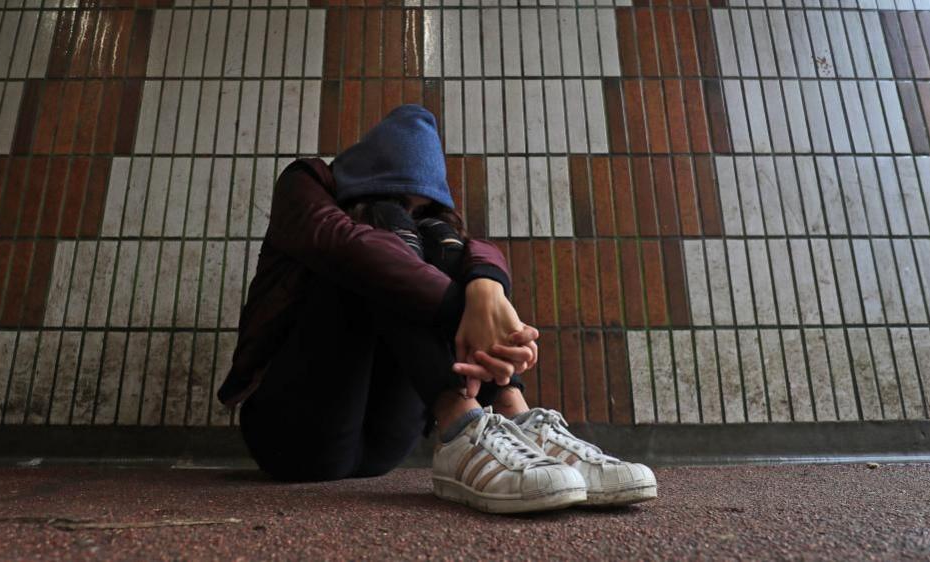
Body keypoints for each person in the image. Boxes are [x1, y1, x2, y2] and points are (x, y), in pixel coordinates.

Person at [217, 104, 657, 514]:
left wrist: (487, 288)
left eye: (421, 203)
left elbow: (472, 250)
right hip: (292, 436)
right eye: (400, 197)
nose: (411, 213)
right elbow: (344, 244)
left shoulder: (434, 228)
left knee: (438, 240)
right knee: (382, 244)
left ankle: (514, 416)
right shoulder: (307, 183)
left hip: (382, 445)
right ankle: (461, 422)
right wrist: (461, 310)